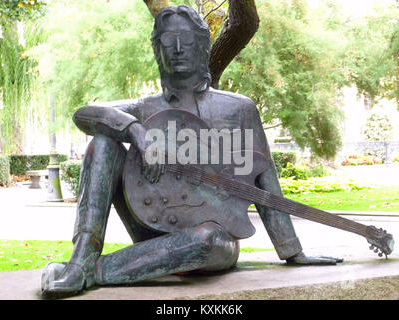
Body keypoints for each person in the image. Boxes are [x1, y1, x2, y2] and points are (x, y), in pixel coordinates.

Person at [41, 5, 341, 298]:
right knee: (104, 141)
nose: (179, 49)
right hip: (150, 231)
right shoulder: (143, 108)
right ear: (158, 50)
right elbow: (84, 114)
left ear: (203, 48)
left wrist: (292, 250)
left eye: (188, 41)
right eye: (169, 42)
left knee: (207, 238)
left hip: (212, 243)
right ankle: (82, 258)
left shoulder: (239, 108)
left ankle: (92, 272)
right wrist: (136, 132)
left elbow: (265, 180)